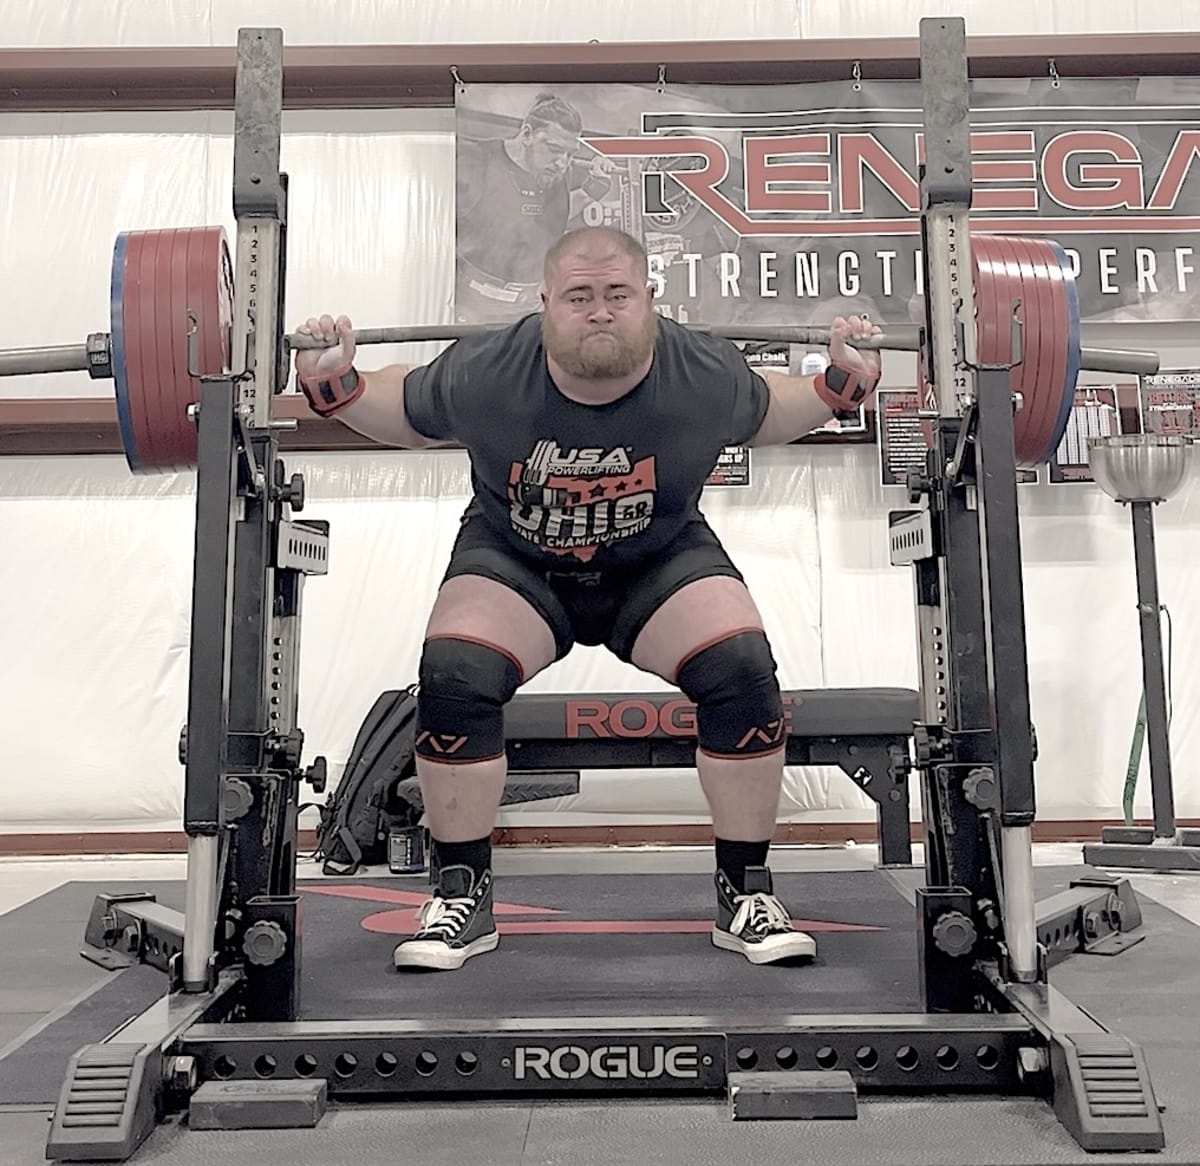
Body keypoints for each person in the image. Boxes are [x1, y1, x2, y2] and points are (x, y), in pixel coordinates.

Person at [294, 226, 883, 973]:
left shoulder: (700, 370)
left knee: (740, 668)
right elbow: (403, 410)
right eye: (579, 296)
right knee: (454, 673)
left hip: (656, 560)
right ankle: (461, 893)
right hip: (518, 559)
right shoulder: (489, 369)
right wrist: (336, 384)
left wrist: (841, 384)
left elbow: (771, 411)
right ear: (545, 303)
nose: (599, 311)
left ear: (649, 300)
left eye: (617, 295)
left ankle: (745, 892)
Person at [455, 92, 615, 321]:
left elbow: (552, 218)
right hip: (474, 306)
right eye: (553, 149)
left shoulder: (554, 174)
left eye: (570, 154)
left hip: (532, 306)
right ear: (527, 134)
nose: (562, 163)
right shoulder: (476, 160)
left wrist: (593, 188)